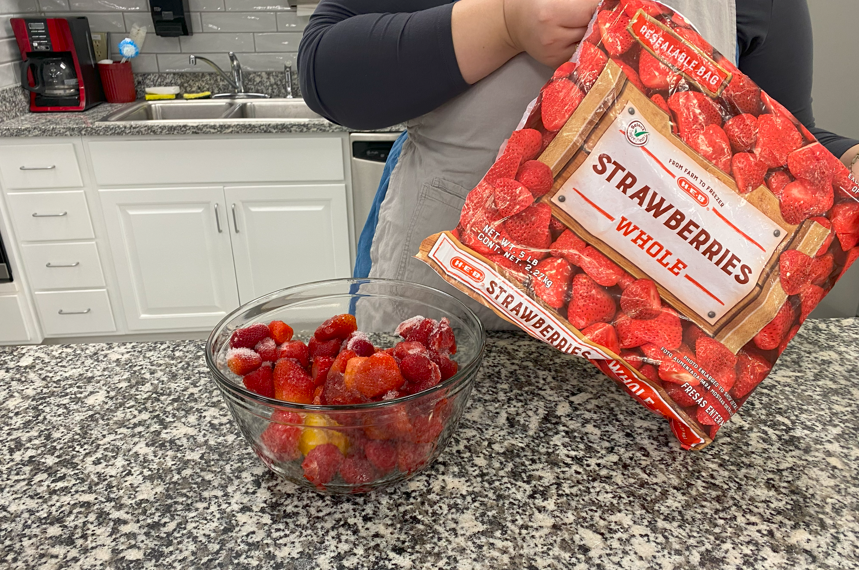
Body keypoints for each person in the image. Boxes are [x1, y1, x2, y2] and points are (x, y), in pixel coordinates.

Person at [298, 0, 859, 329]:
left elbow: (783, 138)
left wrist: (845, 160)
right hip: (451, 320)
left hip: (644, 340)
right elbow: (328, 74)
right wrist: (503, 22)